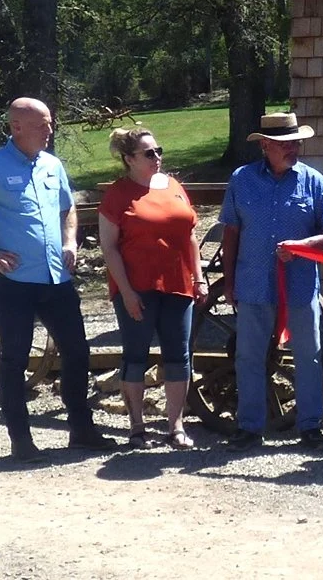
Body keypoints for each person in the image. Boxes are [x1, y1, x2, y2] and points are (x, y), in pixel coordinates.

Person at [0, 97, 113, 461]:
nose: (49, 130)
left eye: (50, 123)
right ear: (16, 127)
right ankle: (21, 439)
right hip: (14, 280)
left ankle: (81, 429)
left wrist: (69, 241)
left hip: (56, 277)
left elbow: (67, 207)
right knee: (14, 358)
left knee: (78, 351)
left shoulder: (52, 165)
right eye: (41, 125)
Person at [219, 112, 323, 452]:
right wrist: (228, 281)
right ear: (265, 145)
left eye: (297, 142)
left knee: (309, 356)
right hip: (252, 283)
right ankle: (249, 428)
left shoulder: (314, 181)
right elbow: (231, 233)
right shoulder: (241, 180)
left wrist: (304, 246)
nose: (295, 148)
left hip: (300, 287)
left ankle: (309, 426)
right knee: (248, 357)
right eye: (286, 143)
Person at [98, 127, 208, 450]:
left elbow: (189, 235)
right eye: (149, 153)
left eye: (158, 150)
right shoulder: (118, 194)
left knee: (179, 356)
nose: (157, 157)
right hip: (137, 288)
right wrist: (127, 292)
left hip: (178, 285)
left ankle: (176, 426)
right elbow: (109, 248)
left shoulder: (173, 186)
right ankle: (136, 428)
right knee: (135, 356)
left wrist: (198, 278)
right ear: (129, 159)